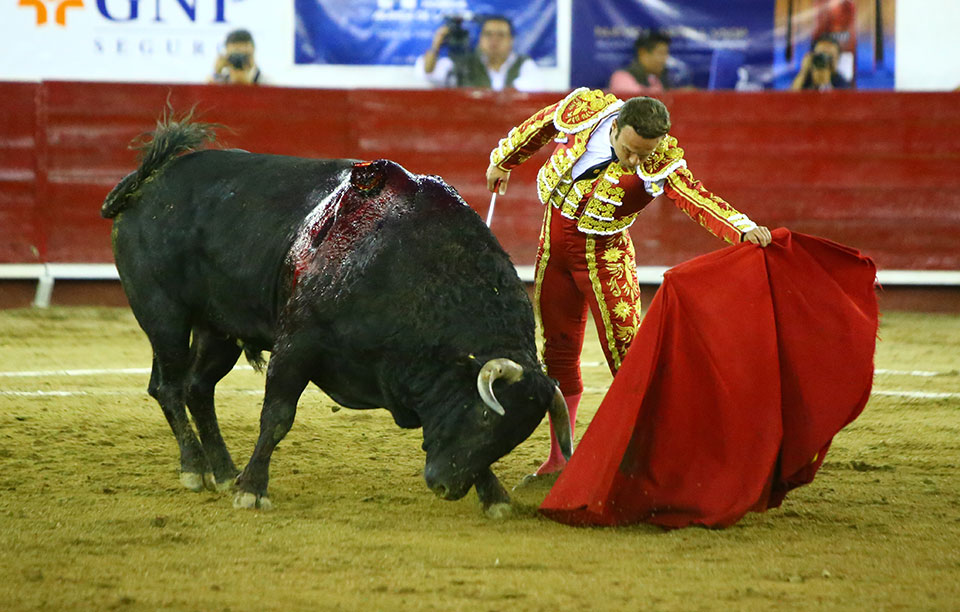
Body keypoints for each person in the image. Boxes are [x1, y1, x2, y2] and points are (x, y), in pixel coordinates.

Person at [484, 88, 772, 478]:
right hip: (552, 247)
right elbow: (541, 124)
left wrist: (743, 228)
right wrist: (504, 160)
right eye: (629, 150)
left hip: (605, 257)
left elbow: (694, 196)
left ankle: (658, 456)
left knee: (628, 358)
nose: (636, 161)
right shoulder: (586, 109)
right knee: (558, 352)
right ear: (616, 127)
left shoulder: (661, 160)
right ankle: (559, 459)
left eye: (645, 154)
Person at [415, 15, 542, 92]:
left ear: (511, 40)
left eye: (501, 35)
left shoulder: (524, 65)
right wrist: (436, 44)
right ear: (480, 39)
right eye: (488, 34)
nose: (494, 40)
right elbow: (427, 73)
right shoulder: (462, 64)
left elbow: (532, 91)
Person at [608, 30, 675, 96]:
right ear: (642, 53)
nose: (665, 58)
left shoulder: (657, 79)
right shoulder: (621, 77)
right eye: (661, 53)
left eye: (666, 53)